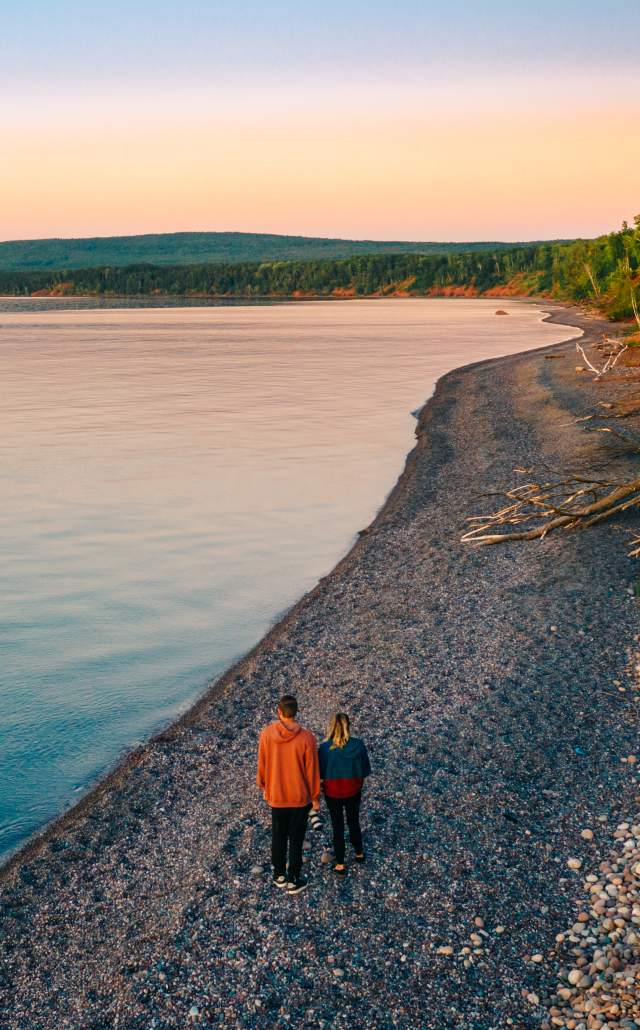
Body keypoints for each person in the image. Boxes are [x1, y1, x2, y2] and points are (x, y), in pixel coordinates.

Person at [256, 694, 320, 894]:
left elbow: (262, 763)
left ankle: (279, 875)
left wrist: (264, 786)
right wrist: (315, 797)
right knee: (296, 838)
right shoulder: (307, 738)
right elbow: (312, 771)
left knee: (278, 836)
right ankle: (293, 878)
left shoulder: (267, 734)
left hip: (277, 795)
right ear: (296, 712)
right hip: (299, 797)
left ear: (279, 712)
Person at [318, 713, 371, 875]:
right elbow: (365, 770)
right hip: (353, 789)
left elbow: (320, 773)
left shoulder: (325, 748)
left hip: (333, 792)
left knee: (337, 825)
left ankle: (340, 863)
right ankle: (359, 853)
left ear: (332, 726)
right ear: (349, 725)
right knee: (353, 820)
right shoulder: (358, 745)